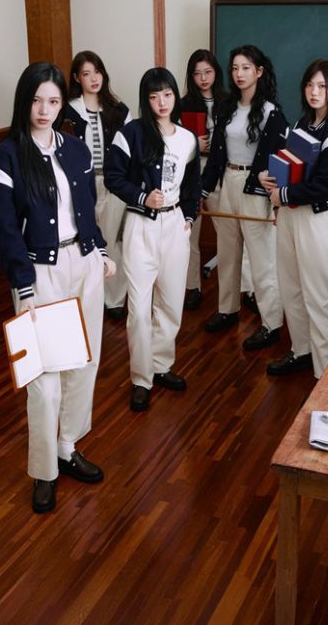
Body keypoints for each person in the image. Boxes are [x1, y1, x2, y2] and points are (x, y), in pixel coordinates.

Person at [0, 62, 115, 514]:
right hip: (41, 273)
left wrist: (100, 251)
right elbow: (5, 231)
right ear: (25, 101)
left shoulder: (76, 149)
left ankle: (67, 446)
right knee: (43, 380)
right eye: (38, 100)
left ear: (63, 104)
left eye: (54, 101)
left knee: (84, 363)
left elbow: (87, 209)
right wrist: (23, 286)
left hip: (84, 263)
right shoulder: (5, 157)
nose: (45, 110)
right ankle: (44, 471)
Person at [104, 67, 201, 412]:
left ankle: (161, 365)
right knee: (140, 307)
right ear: (146, 100)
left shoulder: (187, 138)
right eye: (154, 96)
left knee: (171, 303)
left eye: (168, 95)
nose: (162, 102)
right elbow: (113, 176)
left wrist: (188, 217)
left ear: (175, 96)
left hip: (175, 225)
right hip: (140, 225)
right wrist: (142, 196)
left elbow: (192, 185)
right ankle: (141, 378)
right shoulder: (130, 133)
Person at [262, 60, 328, 378]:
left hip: (315, 218)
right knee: (290, 286)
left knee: (318, 292)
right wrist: (271, 180)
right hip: (289, 213)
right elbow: (292, 167)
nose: (314, 92)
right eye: (310, 85)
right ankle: (301, 350)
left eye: (322, 86)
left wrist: (284, 195)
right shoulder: (303, 123)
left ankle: (325, 368)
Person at [202, 45, 287, 350]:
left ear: (259, 72)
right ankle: (227, 310)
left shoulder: (271, 112)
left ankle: (271, 323)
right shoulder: (226, 107)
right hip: (228, 180)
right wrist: (203, 189)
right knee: (227, 252)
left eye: (246, 68)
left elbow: (280, 157)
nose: (239, 74)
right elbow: (216, 155)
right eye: (235, 68)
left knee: (261, 259)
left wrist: (273, 192)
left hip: (256, 187)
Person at [180, 49, 255, 311]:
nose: (203, 78)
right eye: (197, 73)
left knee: (232, 232)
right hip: (192, 170)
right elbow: (171, 141)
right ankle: (192, 286)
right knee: (190, 232)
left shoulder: (229, 100)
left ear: (216, 73)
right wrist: (193, 143)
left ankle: (246, 288)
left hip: (223, 171)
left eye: (208, 72)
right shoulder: (184, 104)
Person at [65, 50, 131, 319]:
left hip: (113, 183)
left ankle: (114, 299)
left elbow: (130, 150)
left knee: (113, 241)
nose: (93, 78)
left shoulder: (119, 110)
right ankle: (87, 299)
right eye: (86, 73)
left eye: (97, 72)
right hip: (80, 185)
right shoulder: (68, 111)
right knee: (83, 242)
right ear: (76, 78)